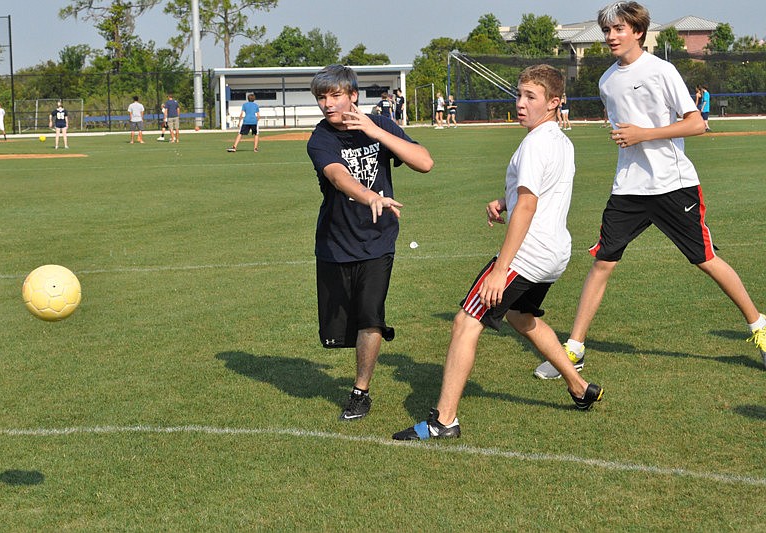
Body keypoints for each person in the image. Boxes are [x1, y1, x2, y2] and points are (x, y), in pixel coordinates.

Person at [533, 1, 766, 380]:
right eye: (607, 30)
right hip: (628, 188)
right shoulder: (606, 80)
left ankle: (760, 327)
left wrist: (645, 134)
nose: (610, 37)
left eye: (618, 29)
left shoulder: (662, 71)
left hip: (673, 185)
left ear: (638, 32)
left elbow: (695, 125)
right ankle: (573, 348)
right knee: (602, 263)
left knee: (704, 260)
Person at [392, 64, 603, 441]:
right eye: (519, 95)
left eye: (530, 97)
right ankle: (577, 385)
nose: (520, 104)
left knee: (465, 323)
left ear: (554, 103)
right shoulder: (559, 140)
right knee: (522, 318)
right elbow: (540, 192)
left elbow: (528, 206)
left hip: (527, 255)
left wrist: (499, 269)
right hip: (555, 254)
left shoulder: (537, 144)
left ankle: (445, 421)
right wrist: (504, 202)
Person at [306, 64, 434, 421]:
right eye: (321, 97)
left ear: (353, 96)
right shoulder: (320, 139)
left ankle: (360, 391)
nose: (328, 105)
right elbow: (338, 176)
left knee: (370, 316)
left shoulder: (380, 125)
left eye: (335, 96)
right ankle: (357, 365)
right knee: (337, 331)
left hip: (378, 240)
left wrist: (376, 131)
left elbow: (425, 162)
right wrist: (369, 196)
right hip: (335, 243)